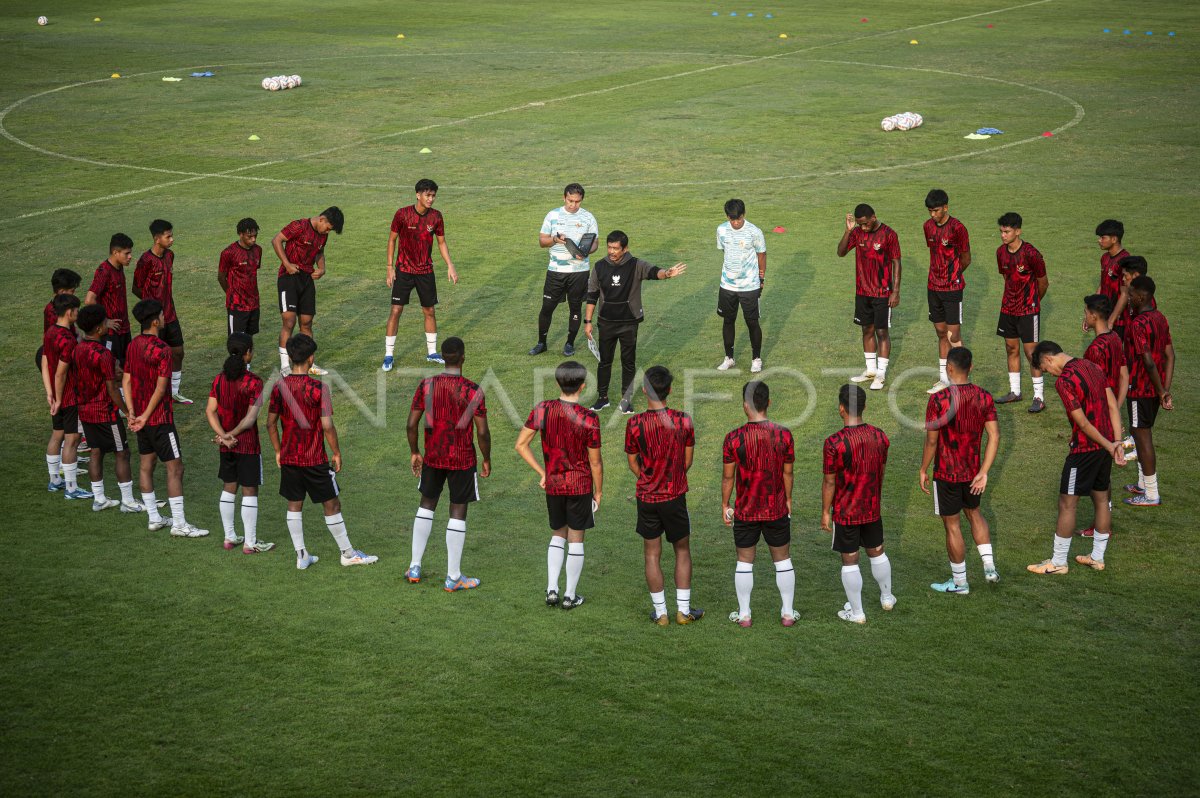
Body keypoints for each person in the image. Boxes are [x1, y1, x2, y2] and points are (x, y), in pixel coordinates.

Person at [267, 334, 377, 569]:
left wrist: (278, 451)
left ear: (289, 356)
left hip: (289, 458)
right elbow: (327, 425)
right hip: (314, 459)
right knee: (332, 504)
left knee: (294, 504)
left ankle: (301, 556)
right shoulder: (319, 388)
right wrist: (336, 452)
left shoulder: (279, 388)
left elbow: (270, 423)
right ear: (311, 358)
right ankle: (347, 554)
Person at [1027, 341, 1125, 574]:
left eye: (1044, 368)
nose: (1048, 374)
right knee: (1101, 499)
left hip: (1085, 449)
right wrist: (1116, 441)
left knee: (1067, 503)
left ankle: (1058, 562)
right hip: (1105, 445)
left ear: (1048, 359)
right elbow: (1112, 405)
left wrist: (1110, 445)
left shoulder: (1065, 381)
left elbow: (1082, 422)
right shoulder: (1092, 366)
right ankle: (1097, 558)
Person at [515, 361, 602, 610]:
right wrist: (599, 490)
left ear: (557, 383)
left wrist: (543, 471)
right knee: (576, 539)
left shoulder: (543, 409)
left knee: (557, 534)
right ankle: (569, 595)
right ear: (583, 386)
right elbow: (595, 462)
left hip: (554, 484)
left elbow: (521, 445)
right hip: (580, 485)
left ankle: (552, 589)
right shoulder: (589, 418)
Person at [405, 337, 491, 591]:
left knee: (426, 505)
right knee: (457, 511)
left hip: (433, 455)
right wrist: (486, 458)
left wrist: (414, 452)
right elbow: (483, 433)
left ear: (442, 357)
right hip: (462, 458)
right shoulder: (472, 390)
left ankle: (414, 566)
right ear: (463, 357)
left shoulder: (427, 385)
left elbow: (411, 424)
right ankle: (453, 577)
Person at [624, 366, 703, 625]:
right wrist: (671, 479)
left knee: (651, 554)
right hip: (674, 495)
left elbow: (632, 462)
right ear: (669, 389)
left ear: (645, 390)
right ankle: (683, 611)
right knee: (682, 550)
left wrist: (648, 480)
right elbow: (687, 461)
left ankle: (661, 614)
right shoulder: (683, 420)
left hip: (647, 497)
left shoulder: (634, 423)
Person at [123, 299, 208, 538]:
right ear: (154, 321)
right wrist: (146, 416)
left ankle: (154, 518)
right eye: (161, 315)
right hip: (159, 419)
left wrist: (132, 414)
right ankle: (179, 523)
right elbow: (162, 389)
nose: (164, 318)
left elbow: (126, 381)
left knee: (145, 466)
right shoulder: (162, 350)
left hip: (140, 418)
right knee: (175, 468)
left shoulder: (132, 345)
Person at [919, 347, 1000, 594]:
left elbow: (932, 441)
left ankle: (960, 582)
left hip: (946, 473)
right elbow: (994, 436)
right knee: (975, 513)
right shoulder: (984, 397)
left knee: (952, 525)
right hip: (973, 471)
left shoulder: (938, 400)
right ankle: (989, 566)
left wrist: (923, 468)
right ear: (971, 367)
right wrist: (984, 471)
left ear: (949, 369)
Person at [584, 231, 687, 413]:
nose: (612, 251)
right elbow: (592, 294)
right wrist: (588, 321)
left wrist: (667, 273)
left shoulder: (636, 264)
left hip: (628, 323)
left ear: (625, 249)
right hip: (606, 322)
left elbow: (654, 272)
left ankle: (626, 399)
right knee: (604, 362)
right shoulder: (599, 266)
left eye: (616, 248)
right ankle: (602, 398)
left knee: (628, 362)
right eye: (609, 247)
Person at [721, 381, 797, 627]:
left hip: (746, 509)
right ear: (769, 403)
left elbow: (728, 476)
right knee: (782, 560)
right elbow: (788, 473)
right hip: (776, 507)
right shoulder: (784, 434)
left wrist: (725, 504)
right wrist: (787, 499)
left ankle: (744, 615)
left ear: (745, 406)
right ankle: (787, 613)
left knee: (744, 560)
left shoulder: (733, 438)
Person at [821, 384, 894, 623]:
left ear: (841, 409)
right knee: (877, 552)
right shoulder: (879, 436)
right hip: (871, 506)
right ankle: (887, 597)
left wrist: (825, 511)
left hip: (846, 510)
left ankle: (857, 612)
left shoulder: (834, 443)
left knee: (850, 560)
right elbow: (880, 472)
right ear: (864, 406)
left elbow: (830, 482)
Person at [205, 333, 273, 553]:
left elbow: (210, 411)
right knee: (250, 490)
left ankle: (229, 537)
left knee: (229, 486)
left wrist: (223, 436)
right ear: (248, 353)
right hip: (247, 444)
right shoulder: (254, 382)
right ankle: (250, 543)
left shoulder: (218, 379)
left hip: (227, 446)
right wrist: (231, 434)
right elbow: (250, 419)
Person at [383, 179, 458, 369]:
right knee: (396, 310)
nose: (431, 199)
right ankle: (388, 355)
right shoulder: (402, 214)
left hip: (425, 271)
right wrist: (390, 267)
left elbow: (441, 242)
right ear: (418, 195)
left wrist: (450, 264)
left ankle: (432, 353)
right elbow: (392, 240)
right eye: (427, 195)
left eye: (433, 195)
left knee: (429, 310)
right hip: (404, 271)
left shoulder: (436, 217)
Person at [73, 303, 141, 512]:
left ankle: (99, 498)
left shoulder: (78, 349)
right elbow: (112, 388)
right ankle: (128, 501)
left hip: (85, 411)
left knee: (96, 452)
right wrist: (128, 411)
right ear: (99, 328)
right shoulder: (103, 355)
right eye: (104, 323)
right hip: (104, 412)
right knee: (122, 452)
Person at [836, 203, 902, 391]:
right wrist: (848, 231)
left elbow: (897, 262)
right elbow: (840, 252)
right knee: (866, 329)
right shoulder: (856, 233)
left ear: (873, 217)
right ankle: (870, 370)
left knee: (882, 332)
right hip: (862, 292)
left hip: (882, 292)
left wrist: (895, 291)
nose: (862, 227)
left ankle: (880, 374)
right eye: (859, 224)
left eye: (865, 223)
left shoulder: (889, 234)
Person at [1079, 294, 1129, 536]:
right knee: (1103, 473)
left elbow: (1090, 387)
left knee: (1095, 476)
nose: (1084, 316)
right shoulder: (1115, 339)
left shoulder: (1094, 350)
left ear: (1093, 315)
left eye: (1086, 312)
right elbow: (1124, 376)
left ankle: (1102, 524)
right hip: (1109, 413)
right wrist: (1116, 410)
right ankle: (1103, 522)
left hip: (1096, 416)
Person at [1122, 276, 1174, 507]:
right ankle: (1143, 484)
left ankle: (1151, 494)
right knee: (1141, 433)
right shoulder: (1160, 318)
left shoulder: (1138, 324)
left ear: (1141, 297)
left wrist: (1160, 390)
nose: (1129, 298)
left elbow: (1148, 361)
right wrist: (1164, 390)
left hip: (1140, 388)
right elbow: (1170, 355)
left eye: (1131, 294)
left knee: (1142, 439)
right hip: (1154, 389)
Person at [273, 207, 344, 375]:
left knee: (306, 323)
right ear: (321, 219)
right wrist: (287, 264)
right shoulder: (299, 226)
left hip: (307, 281)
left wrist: (322, 268)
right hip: (288, 278)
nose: (328, 231)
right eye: (328, 227)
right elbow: (277, 240)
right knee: (289, 321)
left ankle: (309, 363)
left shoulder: (323, 235)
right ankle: (285, 366)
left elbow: (319, 252)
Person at [530, 182, 598, 357]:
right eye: (570, 201)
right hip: (556, 271)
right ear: (564, 198)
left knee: (575, 308)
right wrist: (554, 239)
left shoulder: (588, 218)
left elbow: (595, 243)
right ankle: (541, 343)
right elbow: (541, 241)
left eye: (577, 201)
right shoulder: (552, 215)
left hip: (579, 272)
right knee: (547, 307)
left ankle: (569, 343)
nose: (573, 205)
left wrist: (586, 251)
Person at [994, 212, 1049, 412]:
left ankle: (1038, 397)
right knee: (1011, 348)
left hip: (1028, 310)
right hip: (1008, 309)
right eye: (1001, 231)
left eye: (1007, 231)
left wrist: (1032, 302)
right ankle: (1015, 392)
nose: (1003, 235)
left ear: (1018, 231)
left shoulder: (1031, 254)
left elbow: (1043, 283)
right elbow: (1007, 278)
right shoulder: (1000, 253)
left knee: (1031, 353)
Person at [134, 219, 191, 404]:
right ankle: (149, 391)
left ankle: (174, 391)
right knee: (152, 356)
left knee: (178, 352)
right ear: (157, 238)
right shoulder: (145, 260)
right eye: (168, 236)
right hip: (153, 319)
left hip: (170, 314)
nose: (172, 239)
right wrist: (150, 308)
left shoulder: (170, 256)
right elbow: (136, 288)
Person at [922, 189, 971, 393]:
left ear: (945, 207)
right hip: (933, 287)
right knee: (941, 333)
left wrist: (954, 275)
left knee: (954, 336)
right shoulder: (927, 227)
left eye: (936, 211)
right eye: (930, 211)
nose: (933, 215)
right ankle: (944, 379)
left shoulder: (958, 228)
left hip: (952, 288)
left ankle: (960, 379)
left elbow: (966, 257)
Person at [42, 294, 89, 499]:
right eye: (77, 311)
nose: (78, 314)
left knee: (57, 434)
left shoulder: (50, 331)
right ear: (70, 312)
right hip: (70, 397)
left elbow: (45, 363)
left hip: (56, 394)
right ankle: (71, 489)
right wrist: (60, 398)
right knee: (72, 439)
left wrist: (50, 393)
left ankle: (54, 481)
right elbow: (61, 372)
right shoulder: (67, 340)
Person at [715, 198, 767, 374]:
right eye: (732, 219)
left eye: (738, 218)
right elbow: (725, 251)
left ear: (744, 215)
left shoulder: (754, 232)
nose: (735, 222)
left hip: (749, 286)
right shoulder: (721, 230)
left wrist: (761, 278)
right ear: (727, 217)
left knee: (752, 322)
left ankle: (756, 358)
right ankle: (729, 358)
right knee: (728, 321)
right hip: (727, 285)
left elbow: (761, 254)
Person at [84, 233, 134, 369]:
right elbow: (89, 300)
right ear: (115, 252)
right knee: (114, 369)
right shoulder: (104, 271)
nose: (130, 256)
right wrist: (105, 321)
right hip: (111, 334)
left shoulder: (119, 267)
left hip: (124, 329)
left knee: (126, 367)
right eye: (127, 253)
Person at [218, 218, 262, 338]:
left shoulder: (258, 250)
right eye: (249, 236)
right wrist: (231, 293)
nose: (253, 239)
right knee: (236, 342)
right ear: (240, 234)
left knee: (249, 340)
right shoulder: (228, 253)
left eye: (255, 236)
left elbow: (251, 273)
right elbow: (221, 277)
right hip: (237, 305)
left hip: (254, 304)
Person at [1093, 220, 1129, 337]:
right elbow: (1102, 285)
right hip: (1104, 315)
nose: (1099, 240)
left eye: (1103, 237)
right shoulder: (1104, 258)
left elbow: (1125, 294)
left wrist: (1111, 320)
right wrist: (1092, 312)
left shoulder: (1125, 260)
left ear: (1114, 239)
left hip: (1119, 319)